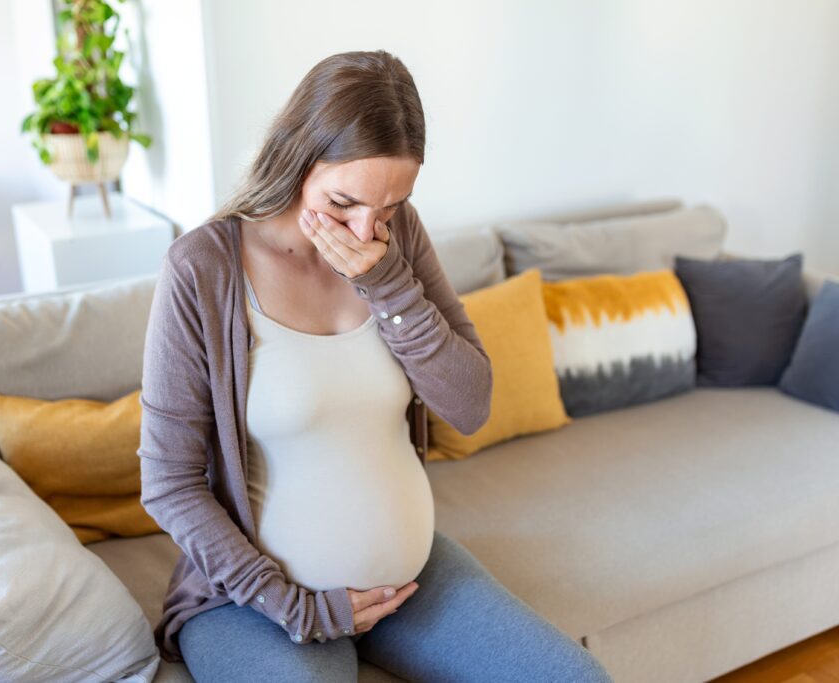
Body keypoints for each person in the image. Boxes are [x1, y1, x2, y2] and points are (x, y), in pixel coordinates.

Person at [137, 49, 615, 682]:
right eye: (343, 204)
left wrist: (388, 285)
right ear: (296, 159)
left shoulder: (398, 242)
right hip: (255, 603)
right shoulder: (203, 269)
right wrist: (297, 609)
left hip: (407, 583)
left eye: (387, 210)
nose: (366, 231)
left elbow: (470, 406)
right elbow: (169, 483)